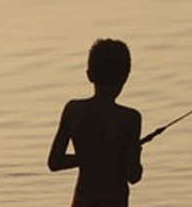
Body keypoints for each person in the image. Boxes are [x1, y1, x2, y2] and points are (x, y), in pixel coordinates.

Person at [49, 39, 143, 207]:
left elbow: (55, 162)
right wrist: (134, 152)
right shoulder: (130, 119)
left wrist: (87, 158)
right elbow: (133, 176)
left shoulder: (73, 110)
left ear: (89, 75)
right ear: (125, 77)